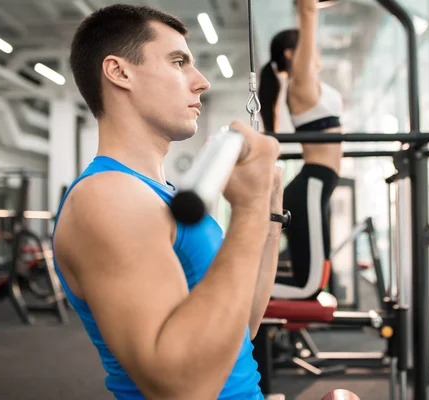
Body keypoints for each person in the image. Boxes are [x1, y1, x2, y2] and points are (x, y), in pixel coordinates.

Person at [52, 4, 284, 400]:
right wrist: (246, 210)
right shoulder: (108, 196)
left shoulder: (162, 196)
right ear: (119, 71)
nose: (202, 82)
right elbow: (182, 389)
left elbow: (240, 326)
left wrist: (268, 209)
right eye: (179, 62)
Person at [258, 0, 343, 300]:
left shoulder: (310, 84)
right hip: (313, 184)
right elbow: (308, 10)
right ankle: (238, 290)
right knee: (310, 287)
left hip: (317, 185)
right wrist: (307, 8)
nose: (315, 52)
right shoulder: (300, 82)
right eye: (309, 48)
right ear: (291, 54)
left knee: (317, 279)